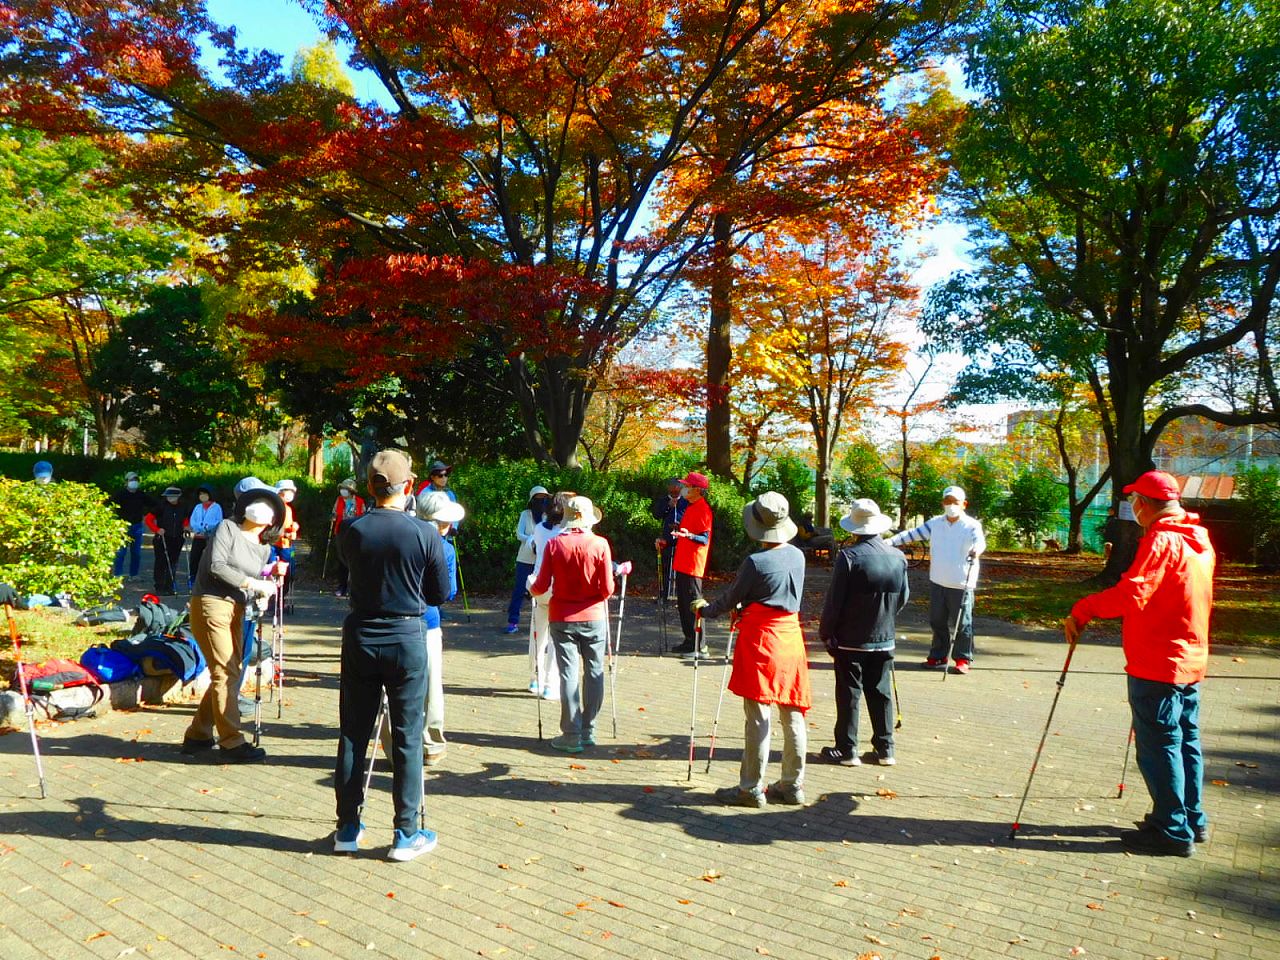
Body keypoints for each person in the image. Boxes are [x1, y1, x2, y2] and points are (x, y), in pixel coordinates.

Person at [1064, 471, 1214, 858]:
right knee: (1185, 741)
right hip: (1189, 658)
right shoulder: (1199, 539)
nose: (1134, 508)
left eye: (1134, 502)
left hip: (1159, 662)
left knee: (1160, 745)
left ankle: (1171, 829)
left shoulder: (1162, 539)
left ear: (1143, 505)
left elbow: (1133, 593)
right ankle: (1189, 818)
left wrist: (1084, 608)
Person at [334, 450, 450, 862]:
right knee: (406, 735)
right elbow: (440, 594)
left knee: (353, 733)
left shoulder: (351, 529)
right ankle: (406, 832)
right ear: (409, 486)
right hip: (407, 635)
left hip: (362, 633)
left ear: (370, 487)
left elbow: (341, 579)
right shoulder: (425, 533)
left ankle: (347, 827)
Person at [693, 491, 810, 807]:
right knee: (793, 712)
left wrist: (705, 609)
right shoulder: (797, 556)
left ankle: (750, 788)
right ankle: (792, 784)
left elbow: (732, 599)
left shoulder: (755, 562)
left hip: (761, 639)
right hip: (790, 637)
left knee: (758, 717)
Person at [181, 484, 285, 763]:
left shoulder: (264, 548)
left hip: (238, 607)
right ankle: (232, 742)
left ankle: (197, 735)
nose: (260, 507)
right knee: (225, 672)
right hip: (211, 602)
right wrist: (252, 582)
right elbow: (217, 566)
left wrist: (264, 586)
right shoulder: (227, 528)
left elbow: (251, 577)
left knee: (230, 671)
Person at [817, 499, 908, 767]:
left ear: (855, 528)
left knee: (849, 694)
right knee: (881, 693)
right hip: (885, 635)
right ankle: (885, 748)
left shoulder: (849, 557)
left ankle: (847, 748)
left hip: (851, 638)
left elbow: (835, 600)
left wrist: (826, 632)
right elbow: (902, 598)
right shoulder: (898, 557)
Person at [529, 495, 614, 754]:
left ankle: (571, 732)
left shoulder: (555, 544)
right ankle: (589, 729)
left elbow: (541, 585)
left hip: (562, 616)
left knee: (567, 674)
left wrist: (531, 587)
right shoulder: (600, 544)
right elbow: (608, 589)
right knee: (595, 671)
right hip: (593, 616)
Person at [886, 485, 985, 674]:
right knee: (937, 621)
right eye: (947, 502)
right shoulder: (935, 523)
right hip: (938, 580)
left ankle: (963, 658)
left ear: (964, 504)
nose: (951, 506)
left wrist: (976, 551)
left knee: (962, 623)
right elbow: (911, 535)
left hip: (961, 582)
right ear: (943, 503)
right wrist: (889, 542)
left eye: (955, 502)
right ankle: (939, 654)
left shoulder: (972, 525)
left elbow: (980, 542)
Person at [415, 491, 462, 765]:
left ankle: (396, 746)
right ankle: (431, 744)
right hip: (429, 621)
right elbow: (448, 592)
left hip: (395, 620)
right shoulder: (445, 549)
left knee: (395, 688)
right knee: (431, 688)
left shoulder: (401, 537)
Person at [655, 471, 712, 658]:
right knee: (683, 605)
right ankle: (689, 641)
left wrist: (688, 536)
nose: (683, 488)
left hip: (693, 565)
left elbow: (704, 538)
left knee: (695, 604)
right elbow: (684, 534)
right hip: (681, 562)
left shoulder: (703, 509)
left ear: (697, 490)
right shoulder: (690, 506)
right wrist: (667, 541)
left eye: (687, 486)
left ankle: (700, 646)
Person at [506, 486, 550, 634]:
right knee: (519, 590)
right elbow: (519, 534)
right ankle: (513, 621)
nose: (541, 501)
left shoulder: (549, 516)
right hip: (525, 558)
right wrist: (532, 539)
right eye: (538, 498)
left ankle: (541, 623)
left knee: (542, 591)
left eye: (544, 498)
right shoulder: (525, 514)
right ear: (532, 500)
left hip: (542, 560)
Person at [112, 471, 156, 578]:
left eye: (136, 480)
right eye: (131, 480)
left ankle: (134, 574)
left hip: (137, 526)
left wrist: (149, 514)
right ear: (126, 482)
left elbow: (154, 504)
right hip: (123, 527)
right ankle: (117, 574)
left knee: (136, 553)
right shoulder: (120, 494)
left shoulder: (141, 494)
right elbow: (111, 506)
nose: (134, 482)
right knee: (121, 553)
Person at [145, 486, 188, 595]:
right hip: (163, 538)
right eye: (168, 496)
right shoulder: (161, 506)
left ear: (178, 497)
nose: (170, 498)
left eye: (173, 496)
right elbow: (148, 519)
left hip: (177, 537)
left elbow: (185, 519)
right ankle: (159, 586)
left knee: (173, 563)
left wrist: (186, 527)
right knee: (161, 562)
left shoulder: (183, 507)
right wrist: (157, 529)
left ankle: (170, 586)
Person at [650, 478, 687, 598]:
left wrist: (680, 525)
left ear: (681, 490)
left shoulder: (686, 502)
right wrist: (667, 507)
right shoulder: (664, 501)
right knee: (665, 566)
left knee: (681, 567)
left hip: (683, 537)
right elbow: (656, 515)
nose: (674, 494)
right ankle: (663, 594)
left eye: (677, 492)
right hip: (667, 536)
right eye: (672, 492)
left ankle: (680, 595)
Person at [331, 478, 366, 598]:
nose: (342, 491)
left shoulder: (360, 502)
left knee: (355, 560)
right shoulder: (339, 500)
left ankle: (355, 588)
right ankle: (342, 586)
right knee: (341, 560)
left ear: (351, 491)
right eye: (342, 489)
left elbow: (363, 516)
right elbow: (334, 513)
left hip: (354, 533)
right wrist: (333, 517)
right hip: (341, 532)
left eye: (345, 489)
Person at [188, 484, 222, 590]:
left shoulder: (216, 507)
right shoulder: (198, 507)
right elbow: (193, 521)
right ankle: (193, 578)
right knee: (194, 558)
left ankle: (210, 580)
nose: (202, 496)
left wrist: (207, 528)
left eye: (204, 494)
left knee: (209, 558)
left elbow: (218, 521)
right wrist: (198, 528)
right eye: (200, 494)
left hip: (210, 537)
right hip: (198, 537)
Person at [272, 479, 302, 600]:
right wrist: (285, 533)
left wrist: (294, 528)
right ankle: (272, 599)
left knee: (289, 573)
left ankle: (281, 598)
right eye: (288, 491)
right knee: (273, 571)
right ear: (279, 493)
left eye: (292, 492)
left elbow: (289, 527)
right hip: (273, 544)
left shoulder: (288, 509)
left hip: (286, 545)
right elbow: (271, 528)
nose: (291, 495)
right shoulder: (273, 508)